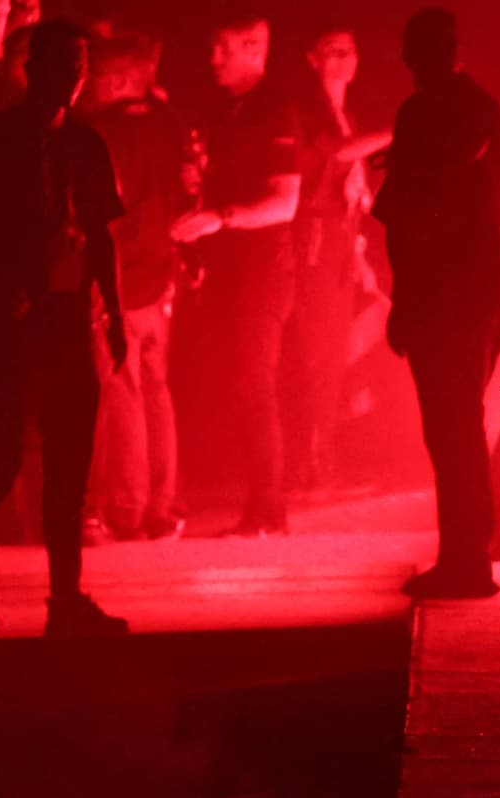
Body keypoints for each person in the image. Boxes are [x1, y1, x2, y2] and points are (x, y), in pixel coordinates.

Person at [373, 7, 500, 598]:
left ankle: (466, 556)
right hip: (483, 288)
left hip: (444, 294)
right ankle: (468, 551)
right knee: (460, 422)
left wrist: (403, 300)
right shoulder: (483, 110)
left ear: (411, 56)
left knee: (449, 425)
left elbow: (403, 216)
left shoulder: (425, 113)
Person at [0, 19, 128, 636]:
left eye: (81, 63)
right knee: (1, 461)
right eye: (65, 62)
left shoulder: (87, 144)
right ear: (33, 69)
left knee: (70, 466)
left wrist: (115, 314)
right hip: (13, 323)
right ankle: (66, 600)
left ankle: (65, 599)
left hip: (69, 319)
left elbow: (102, 235)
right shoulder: (3, 142)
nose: (76, 75)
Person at [170, 14, 302, 536]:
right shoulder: (228, 111)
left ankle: (268, 509)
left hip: (262, 270)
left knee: (255, 385)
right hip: (230, 270)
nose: (213, 60)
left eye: (224, 48)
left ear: (254, 47)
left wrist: (219, 217)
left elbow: (285, 203)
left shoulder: (275, 110)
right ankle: (262, 506)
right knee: (240, 386)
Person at [83, 33, 189, 542]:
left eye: (98, 77)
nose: (90, 86)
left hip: (119, 278)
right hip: (160, 278)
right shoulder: (171, 125)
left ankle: (127, 508)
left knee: (121, 389)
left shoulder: (102, 134)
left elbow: (103, 212)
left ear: (120, 79)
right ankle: (162, 508)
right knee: (157, 391)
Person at [282, 23, 390, 495]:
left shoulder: (346, 112)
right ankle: (311, 464)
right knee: (318, 357)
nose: (345, 59)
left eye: (351, 50)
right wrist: (395, 130)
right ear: (312, 58)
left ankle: (324, 455)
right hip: (316, 244)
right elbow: (338, 156)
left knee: (343, 350)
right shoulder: (307, 110)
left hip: (344, 244)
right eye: (333, 51)